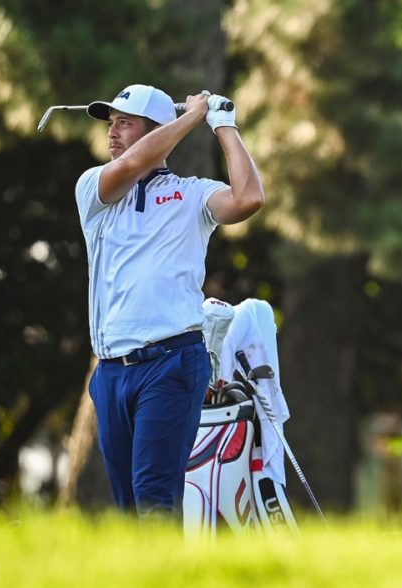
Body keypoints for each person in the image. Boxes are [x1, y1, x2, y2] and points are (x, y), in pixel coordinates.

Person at [75, 84, 265, 517]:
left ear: (157, 128)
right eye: (111, 123)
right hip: (110, 372)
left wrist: (225, 127)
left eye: (125, 122)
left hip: (172, 362)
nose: (113, 133)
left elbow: (249, 198)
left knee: (154, 496)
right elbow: (135, 162)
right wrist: (192, 117)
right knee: (126, 506)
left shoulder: (194, 193)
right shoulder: (94, 188)